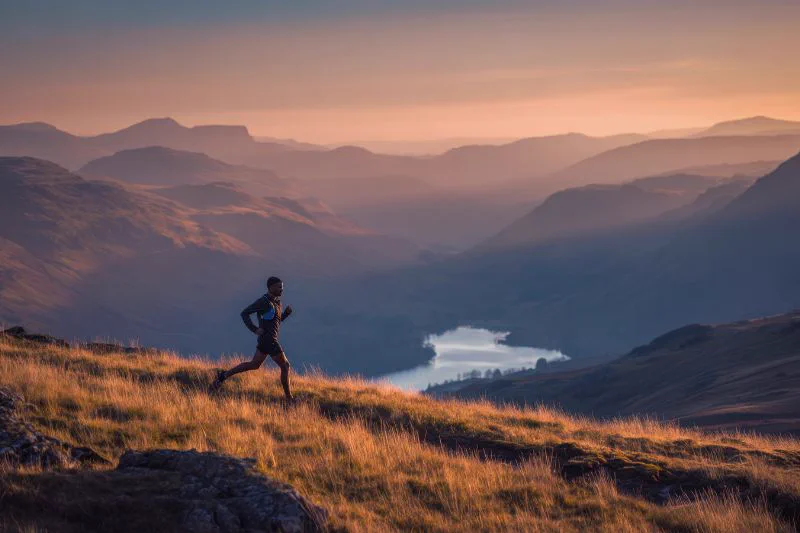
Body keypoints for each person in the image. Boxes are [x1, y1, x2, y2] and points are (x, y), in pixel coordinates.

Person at [210, 276, 294, 400]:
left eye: (282, 287)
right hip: (269, 340)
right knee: (285, 366)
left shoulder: (277, 303)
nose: (282, 289)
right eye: (279, 287)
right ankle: (289, 399)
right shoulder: (263, 302)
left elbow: (275, 320)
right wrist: (254, 329)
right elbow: (245, 313)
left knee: (254, 365)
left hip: (266, 340)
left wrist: (285, 314)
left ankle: (223, 375)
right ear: (271, 287)